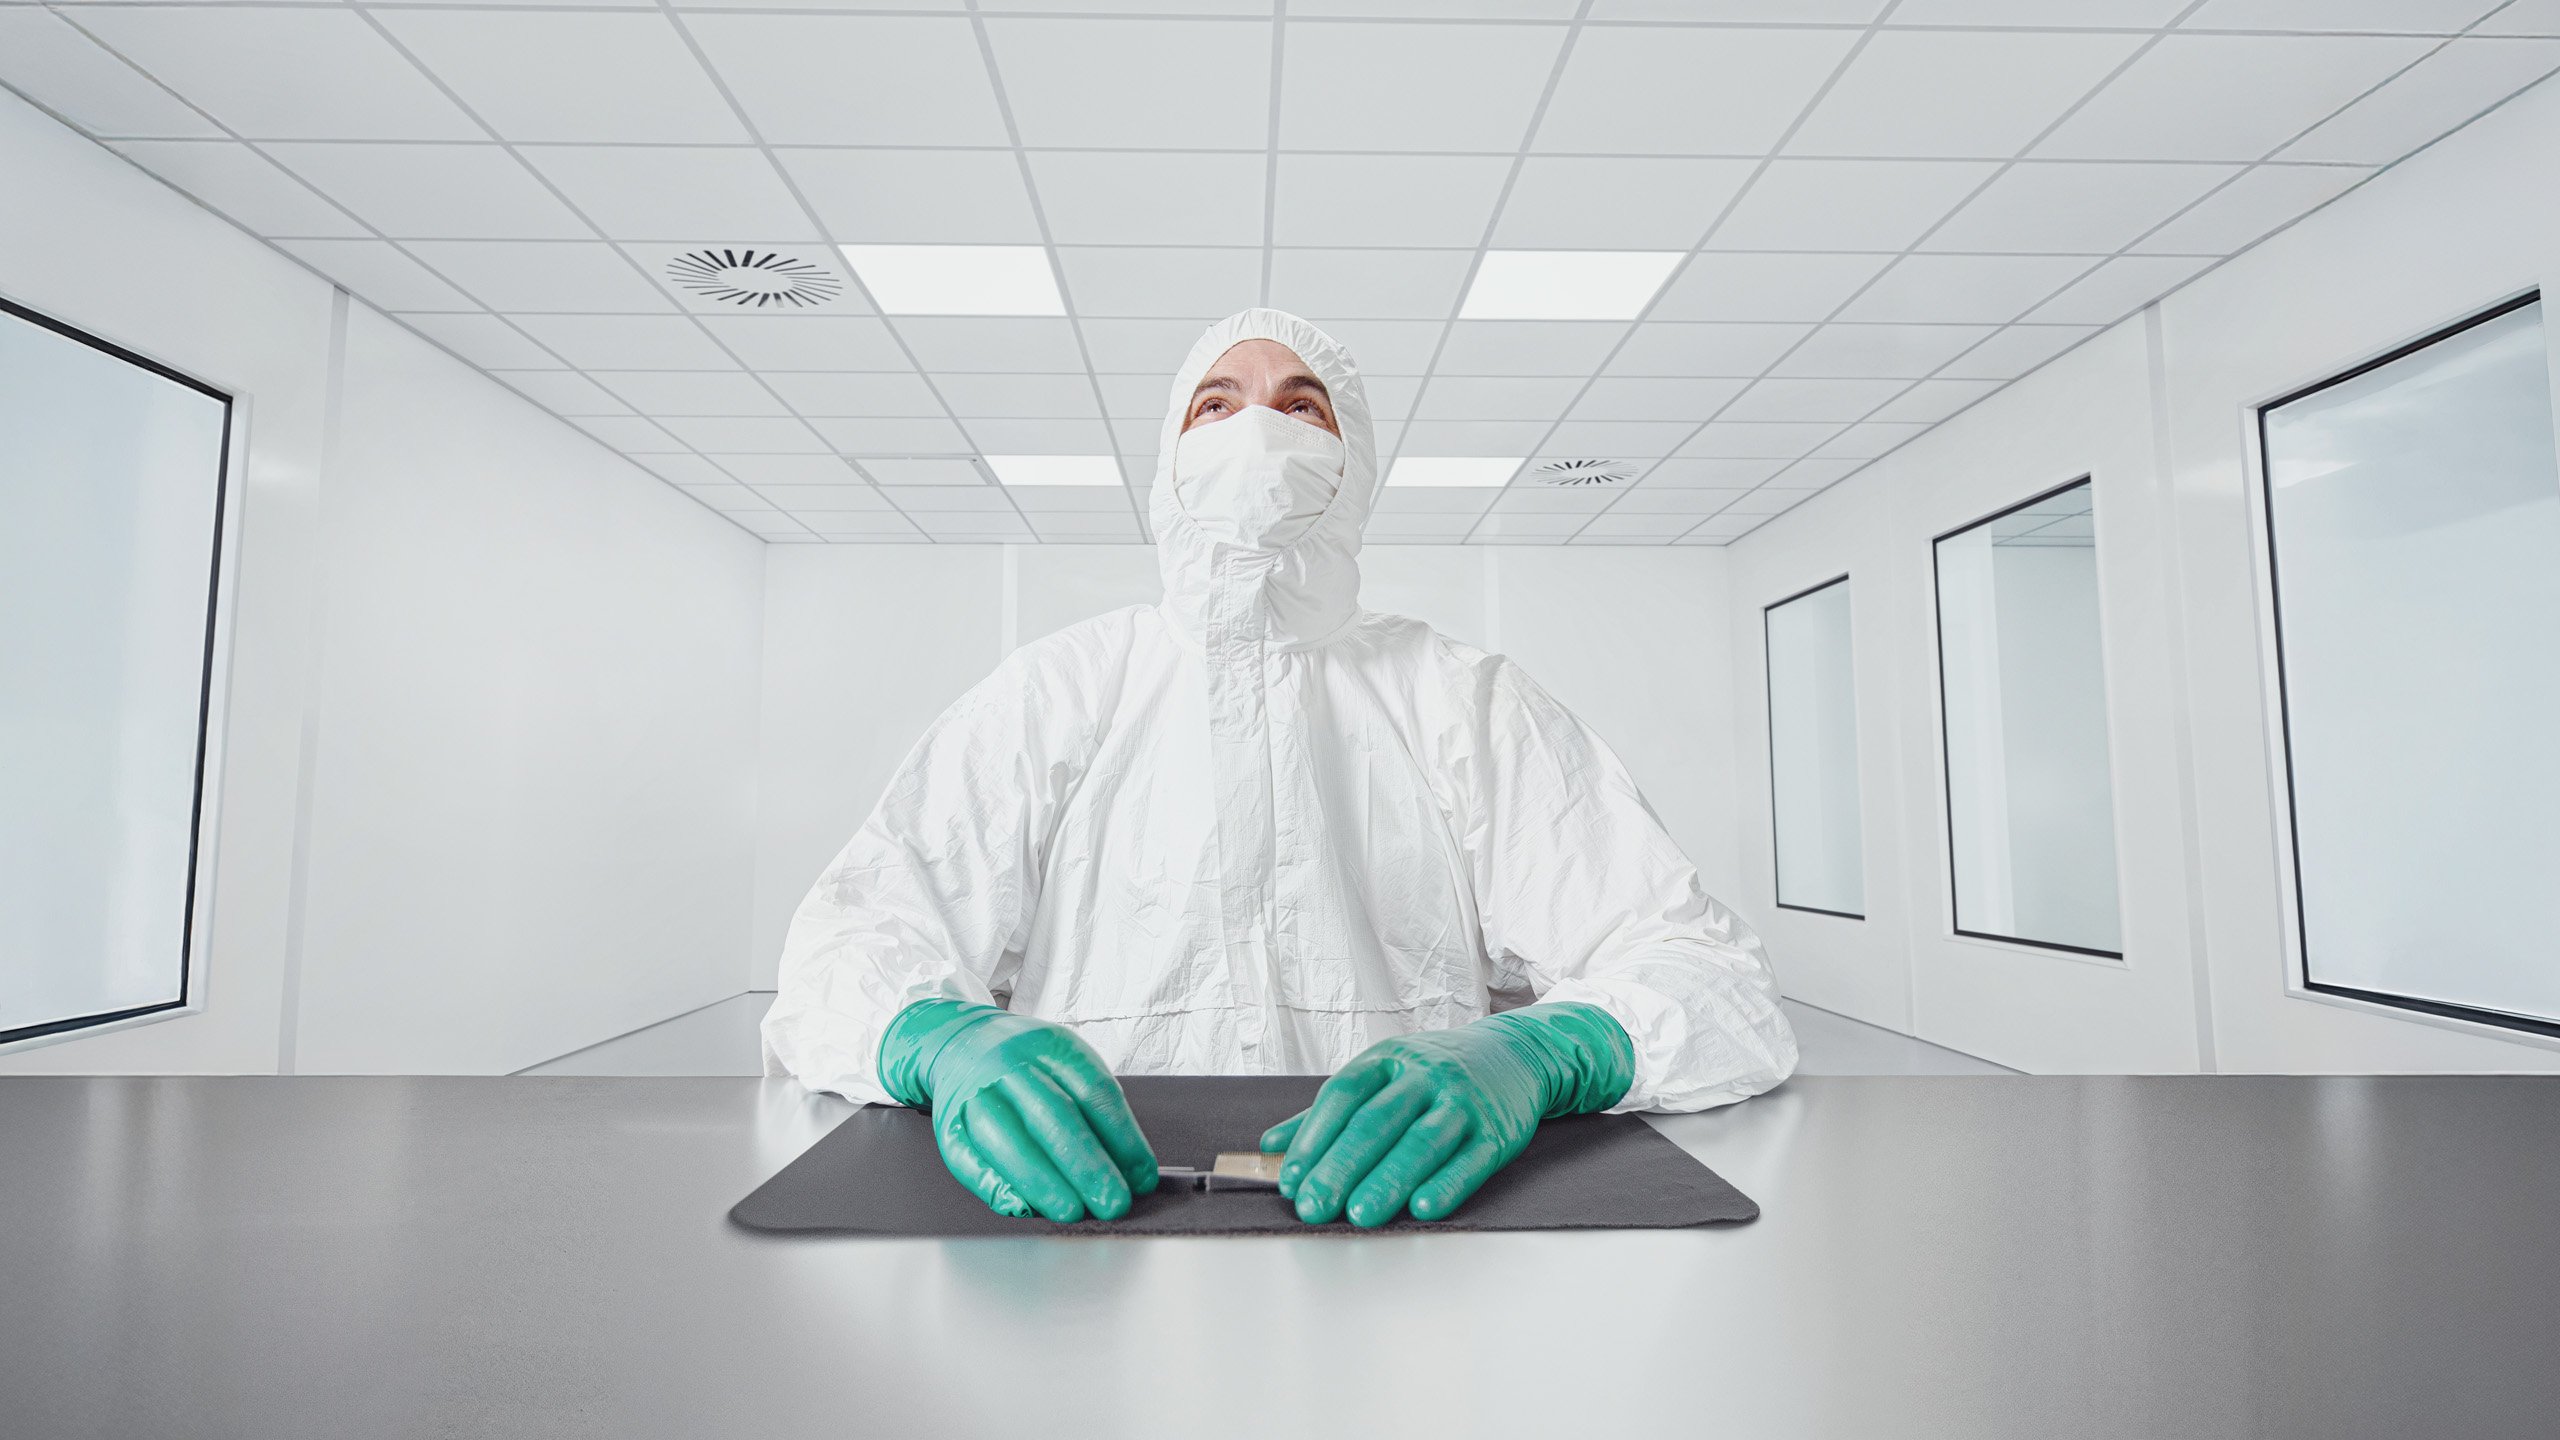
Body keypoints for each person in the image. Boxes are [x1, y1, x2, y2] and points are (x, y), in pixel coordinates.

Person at [764, 309, 1796, 1227]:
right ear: (1166, 460)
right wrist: (936, 1039)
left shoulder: (1464, 699)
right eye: (1216, 404)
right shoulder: (1054, 694)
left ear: (1356, 461)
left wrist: (1543, 1051)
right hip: (1098, 1212)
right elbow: (842, 953)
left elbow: (1711, 981)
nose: (1258, 431)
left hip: (1404, 1215)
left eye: (1302, 407)